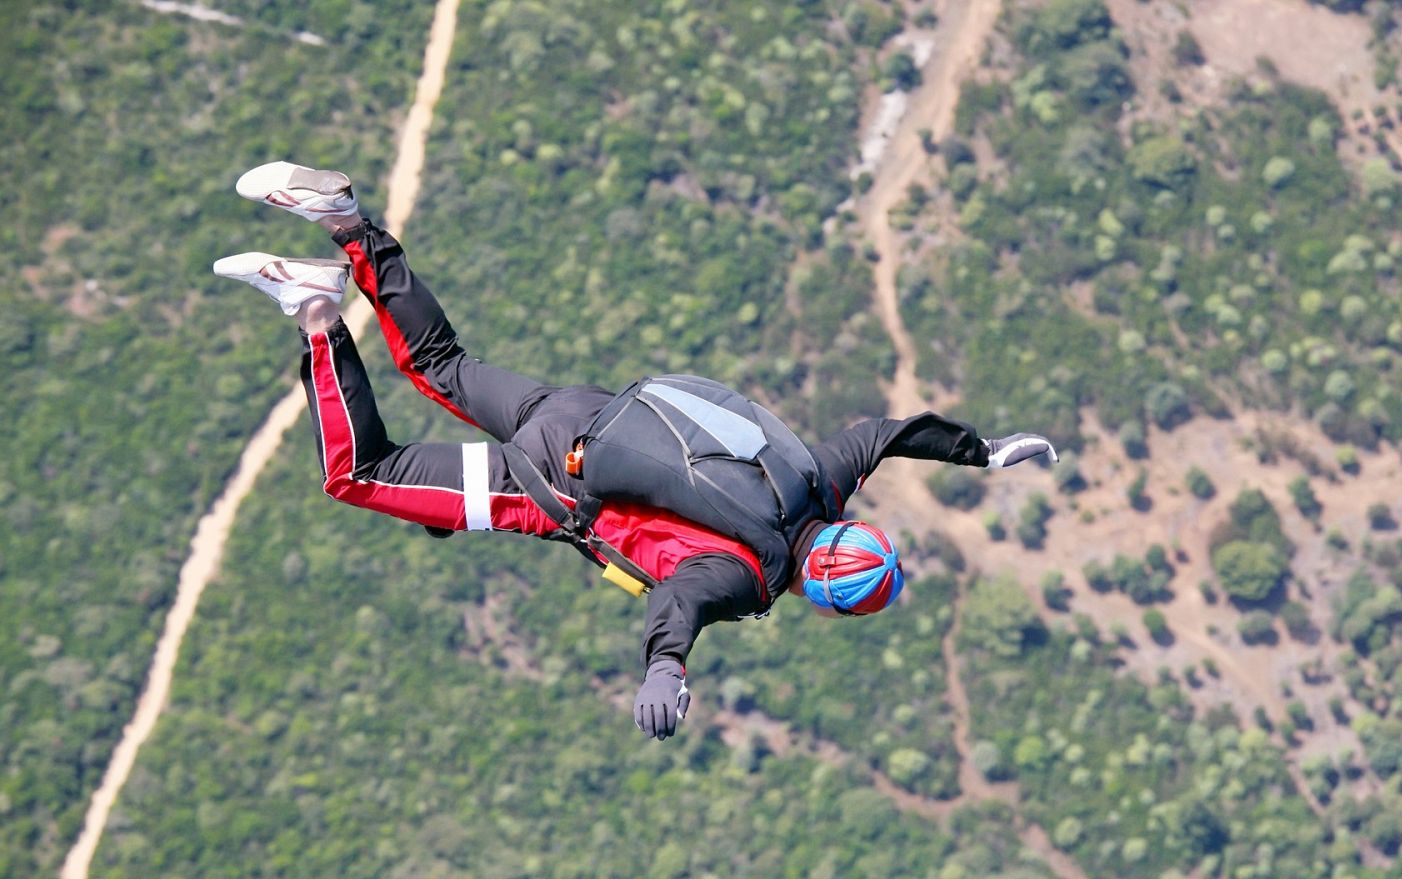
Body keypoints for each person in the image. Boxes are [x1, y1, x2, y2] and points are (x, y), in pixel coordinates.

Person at [213, 161, 1059, 740]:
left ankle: (348, 225)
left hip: (587, 412)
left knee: (442, 362)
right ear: (827, 600)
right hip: (543, 487)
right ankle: (317, 313)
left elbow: (885, 433)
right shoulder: (752, 576)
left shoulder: (820, 483)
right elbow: (680, 603)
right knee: (362, 474)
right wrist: (666, 672)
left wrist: (981, 452)